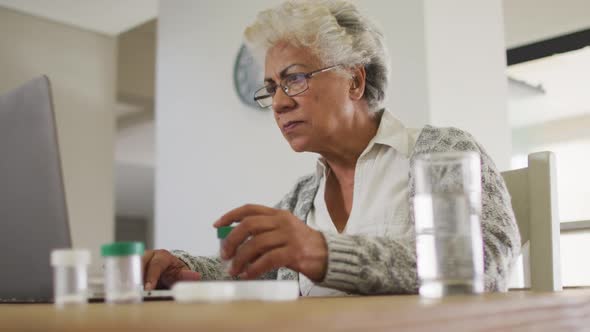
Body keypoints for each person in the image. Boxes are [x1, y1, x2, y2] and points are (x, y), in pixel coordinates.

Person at [142, 0, 521, 296]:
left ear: (354, 81)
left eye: (294, 80)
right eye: (272, 87)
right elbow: (256, 271)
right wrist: (184, 269)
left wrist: (324, 253)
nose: (278, 103)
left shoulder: (441, 152)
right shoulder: (301, 197)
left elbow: (483, 264)